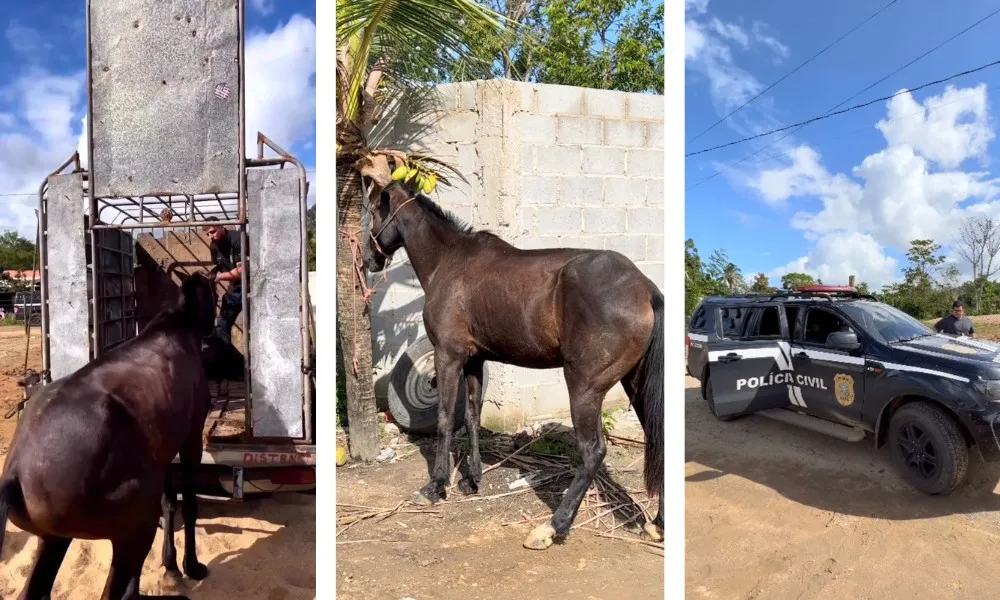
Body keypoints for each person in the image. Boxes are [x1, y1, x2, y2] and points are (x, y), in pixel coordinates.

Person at [203, 217, 244, 346]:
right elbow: (218, 267)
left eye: (213, 231)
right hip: (236, 288)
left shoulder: (238, 238)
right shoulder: (214, 247)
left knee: (258, 323)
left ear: (222, 227)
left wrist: (219, 277)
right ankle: (224, 358)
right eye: (208, 234)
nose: (210, 236)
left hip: (252, 288)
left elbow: (243, 271)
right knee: (223, 324)